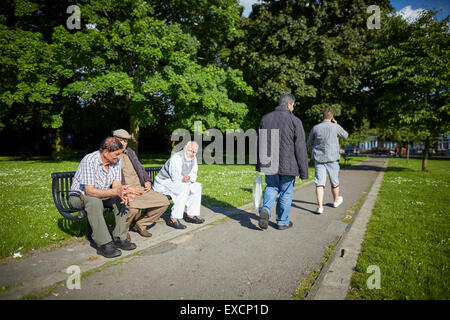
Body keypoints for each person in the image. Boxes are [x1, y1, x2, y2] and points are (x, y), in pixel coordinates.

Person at [68, 137, 137, 258]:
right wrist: (116, 191)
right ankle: (104, 243)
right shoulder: (89, 160)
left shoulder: (116, 161)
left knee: (122, 199)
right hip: (79, 196)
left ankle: (119, 238)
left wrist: (121, 192)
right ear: (105, 152)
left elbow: (116, 184)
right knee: (94, 201)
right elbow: (89, 191)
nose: (118, 157)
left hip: (101, 194)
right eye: (116, 154)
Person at [256, 93, 309, 230]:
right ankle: (282, 221)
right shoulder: (295, 121)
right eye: (293, 105)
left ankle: (266, 210)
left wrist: (259, 164)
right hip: (288, 164)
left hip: (269, 162)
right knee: (286, 192)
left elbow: (259, 143)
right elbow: (300, 148)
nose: (293, 108)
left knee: (271, 187)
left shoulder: (265, 119)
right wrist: (304, 171)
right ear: (288, 104)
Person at [112, 129, 170, 240]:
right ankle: (124, 229)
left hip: (141, 188)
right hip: (126, 191)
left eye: (125, 141)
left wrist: (147, 181)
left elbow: (141, 168)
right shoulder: (111, 155)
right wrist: (124, 190)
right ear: (114, 140)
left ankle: (141, 224)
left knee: (164, 202)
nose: (123, 143)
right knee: (133, 209)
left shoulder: (130, 152)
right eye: (121, 140)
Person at [153, 141, 204, 229]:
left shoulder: (193, 158)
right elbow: (175, 178)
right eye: (190, 151)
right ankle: (173, 219)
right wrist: (184, 179)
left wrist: (190, 177)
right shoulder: (176, 158)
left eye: (194, 152)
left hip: (181, 181)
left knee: (197, 186)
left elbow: (194, 173)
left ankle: (191, 215)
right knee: (183, 188)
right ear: (185, 149)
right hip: (163, 182)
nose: (192, 153)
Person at [306, 108, 348, 214]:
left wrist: (313, 153)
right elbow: (345, 135)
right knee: (334, 181)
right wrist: (337, 124)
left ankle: (320, 207)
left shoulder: (315, 128)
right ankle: (335, 201)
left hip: (318, 158)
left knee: (319, 183)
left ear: (322, 116)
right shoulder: (335, 127)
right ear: (332, 117)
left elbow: (308, 144)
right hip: (332, 158)